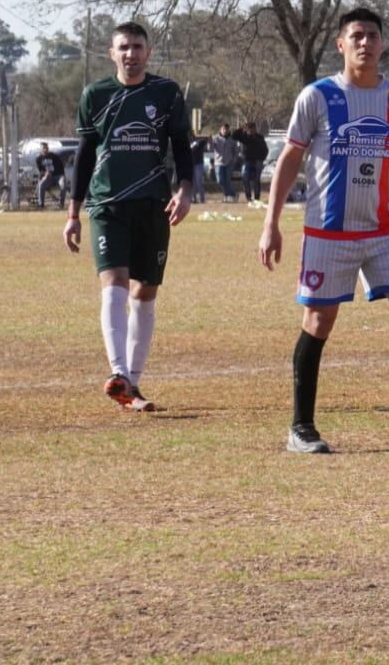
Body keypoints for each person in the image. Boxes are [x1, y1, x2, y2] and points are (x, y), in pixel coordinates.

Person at [257, 7, 389, 455]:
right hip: (328, 231)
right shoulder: (317, 96)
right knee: (318, 320)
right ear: (341, 44)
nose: (365, 42)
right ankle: (301, 427)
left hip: (386, 229)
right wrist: (270, 222)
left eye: (372, 35)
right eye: (357, 35)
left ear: (382, 43)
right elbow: (290, 159)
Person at [62, 21, 194, 413]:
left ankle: (131, 384)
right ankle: (118, 372)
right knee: (115, 282)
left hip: (153, 204)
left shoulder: (166, 93)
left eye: (138, 47)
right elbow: (84, 155)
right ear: (112, 52)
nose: (131, 54)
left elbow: (182, 146)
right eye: (124, 47)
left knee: (144, 292)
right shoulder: (96, 94)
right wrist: (73, 212)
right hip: (107, 204)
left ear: (148, 52)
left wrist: (185, 189)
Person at [238, 121, 269, 203]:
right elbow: (236, 135)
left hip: (257, 161)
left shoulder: (260, 138)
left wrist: (262, 159)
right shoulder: (244, 137)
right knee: (245, 177)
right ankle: (248, 197)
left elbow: (265, 150)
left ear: (255, 129)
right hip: (247, 161)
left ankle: (257, 197)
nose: (251, 131)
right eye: (249, 129)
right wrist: (242, 128)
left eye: (253, 129)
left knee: (256, 179)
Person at [210, 122, 238, 201]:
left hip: (229, 162)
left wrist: (234, 160)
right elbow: (211, 149)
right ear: (220, 130)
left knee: (227, 181)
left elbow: (236, 151)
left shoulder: (232, 140)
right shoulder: (215, 138)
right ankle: (233, 194)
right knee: (220, 181)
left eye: (226, 129)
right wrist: (210, 142)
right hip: (218, 162)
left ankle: (226, 196)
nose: (225, 131)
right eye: (223, 129)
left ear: (229, 130)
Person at [35, 142, 64, 209]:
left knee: (63, 184)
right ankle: (41, 205)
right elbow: (40, 171)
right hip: (47, 178)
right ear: (41, 149)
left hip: (57, 176)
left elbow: (60, 167)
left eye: (46, 148)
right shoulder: (38, 159)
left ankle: (61, 204)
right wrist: (45, 173)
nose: (45, 149)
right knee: (41, 184)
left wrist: (61, 175)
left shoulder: (54, 156)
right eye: (44, 148)